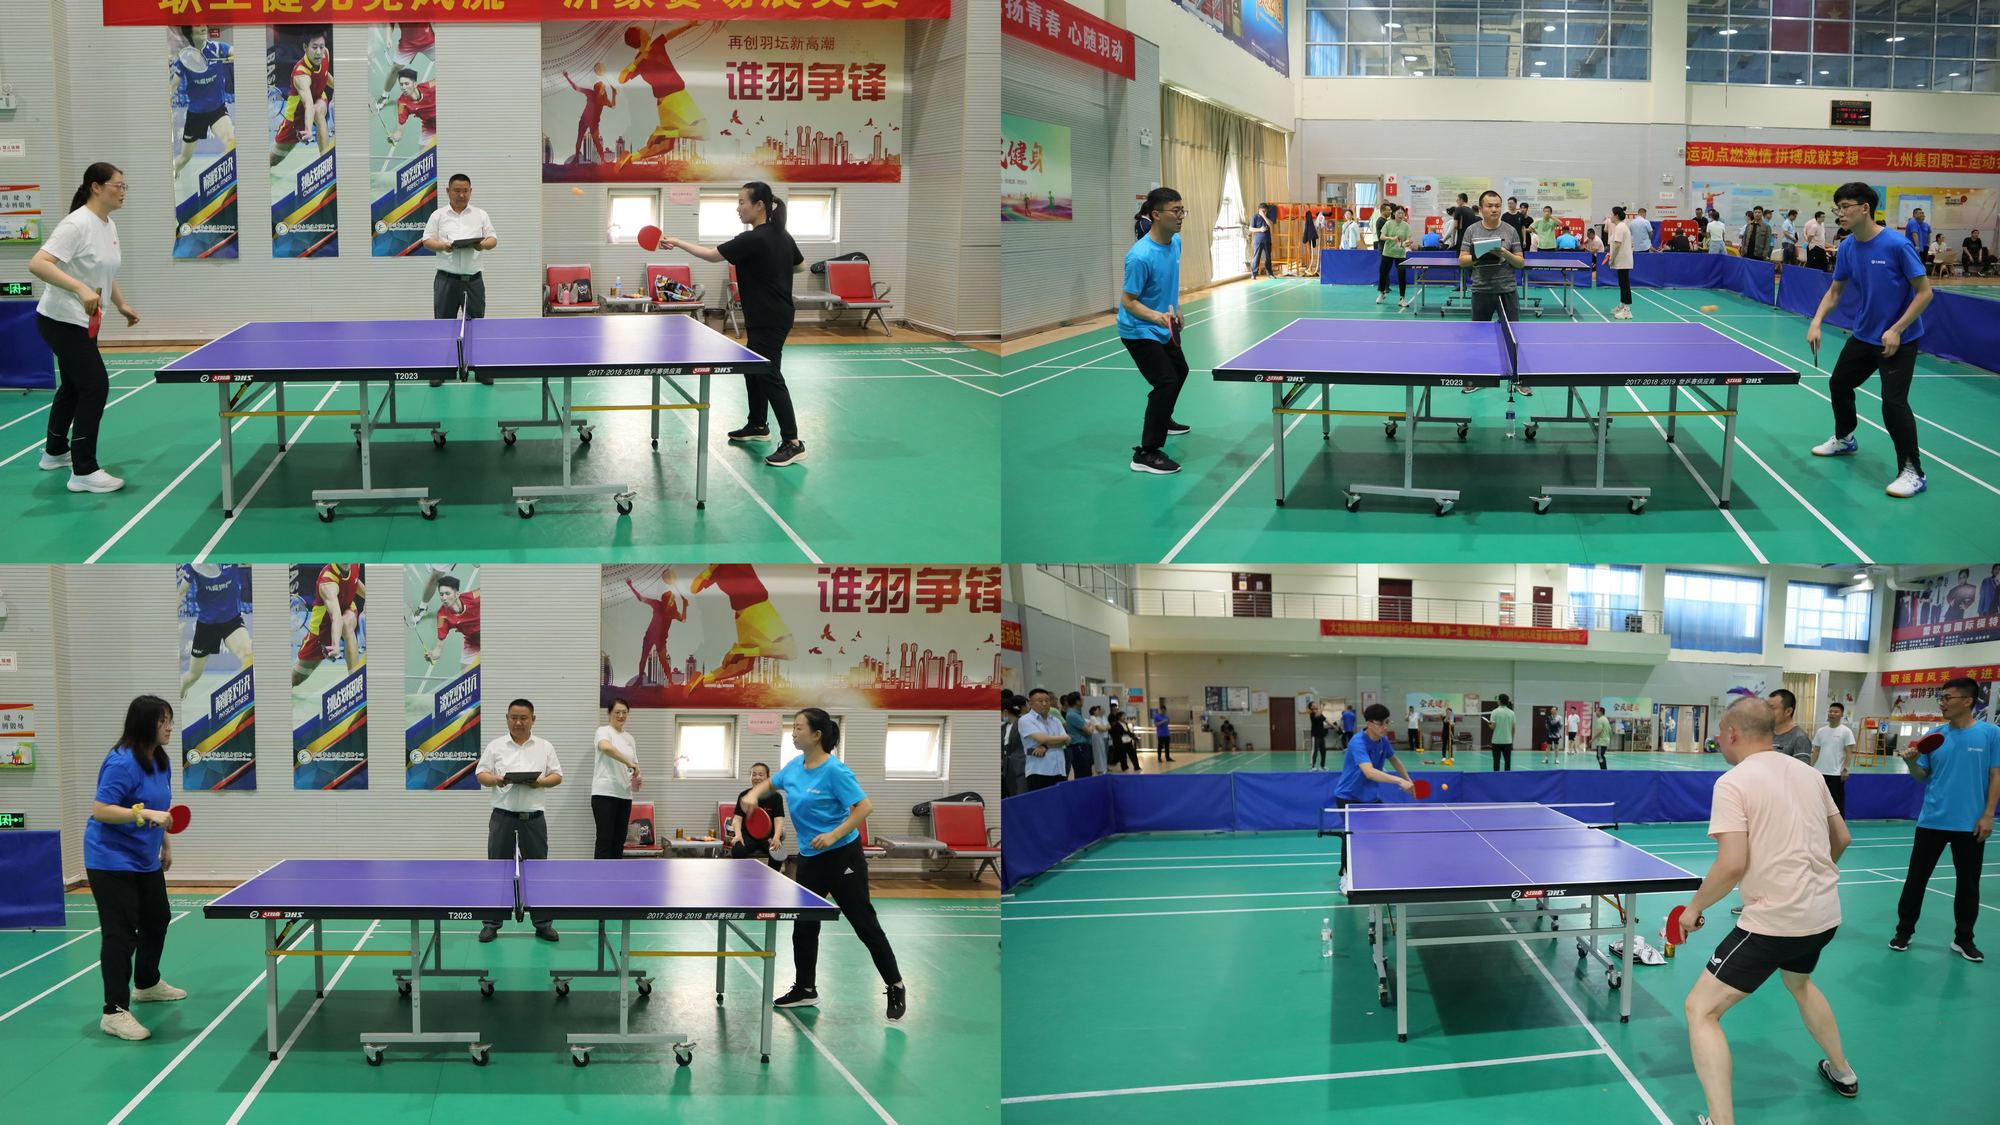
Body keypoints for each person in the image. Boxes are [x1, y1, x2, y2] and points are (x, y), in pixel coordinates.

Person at [1677, 696, 1857, 1125]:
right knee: (1799, 983)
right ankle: (1843, 1072)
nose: (1718, 739)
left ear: (1732, 734)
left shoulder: (1733, 782)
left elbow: (1731, 864)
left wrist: (1693, 908)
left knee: (1701, 1010)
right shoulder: (1809, 774)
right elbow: (1843, 838)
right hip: (1823, 915)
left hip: (1775, 923)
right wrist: (1808, 880)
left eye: (1720, 733)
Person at [743, 709, 906, 1021]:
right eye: (793, 728)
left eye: (799, 728)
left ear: (817, 735)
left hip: (843, 856)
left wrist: (833, 834)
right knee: (804, 925)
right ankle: (805, 988)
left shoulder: (835, 771)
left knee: (864, 923)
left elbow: (864, 807)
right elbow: (772, 783)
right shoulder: (795, 766)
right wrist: (753, 794)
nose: (793, 733)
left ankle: (895, 984)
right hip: (810, 858)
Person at [657, 182, 810, 467]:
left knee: (769, 375)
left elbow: (711, 255)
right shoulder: (781, 235)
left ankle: (793, 442)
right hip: (771, 314)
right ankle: (758, 424)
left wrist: (676, 242)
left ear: (759, 205)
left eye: (742, 202)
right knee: (754, 370)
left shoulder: (753, 238)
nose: (738, 208)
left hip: (769, 317)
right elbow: (800, 266)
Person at [1806, 181, 1935, 499]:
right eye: (1837, 207)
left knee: (1893, 403)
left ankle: (1913, 471)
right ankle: (1845, 439)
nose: (1839, 213)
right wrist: (1817, 321)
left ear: (1865, 208)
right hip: (1865, 334)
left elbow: (1924, 293)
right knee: (1839, 384)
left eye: (1845, 207)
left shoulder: (1896, 245)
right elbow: (1835, 291)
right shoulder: (1848, 247)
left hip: (1899, 339)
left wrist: (1897, 329)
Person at [27, 162, 137, 494]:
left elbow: (102, 270)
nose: (123, 191)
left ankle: (54, 452)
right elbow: (38, 263)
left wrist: (121, 303)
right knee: (95, 386)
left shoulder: (108, 224)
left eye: (124, 186)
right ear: (96, 187)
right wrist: (79, 288)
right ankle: (83, 470)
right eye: (117, 185)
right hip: (61, 319)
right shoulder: (76, 224)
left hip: (85, 319)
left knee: (74, 386)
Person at [86, 695, 189, 1041]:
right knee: (120, 933)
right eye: (163, 721)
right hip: (110, 859)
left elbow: (161, 807)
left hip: (144, 858)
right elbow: (102, 809)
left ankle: (146, 983)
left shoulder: (159, 760)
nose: (170, 727)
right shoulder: (121, 762)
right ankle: (113, 1012)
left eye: (170, 720)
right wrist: (142, 814)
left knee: (157, 918)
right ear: (145, 724)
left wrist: (165, 842)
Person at [1891, 676, 2000, 961]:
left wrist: (1988, 815)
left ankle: (1963, 939)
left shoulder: (1991, 734)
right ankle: (1904, 931)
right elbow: (1921, 776)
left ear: (1967, 701)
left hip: (1970, 824)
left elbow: (1996, 775)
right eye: (1941, 698)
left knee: (1968, 885)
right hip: (1932, 822)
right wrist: (1911, 762)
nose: (1942, 703)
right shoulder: (1935, 736)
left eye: (1947, 698)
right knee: (1916, 880)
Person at [474, 699, 562, 943]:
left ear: (533, 719)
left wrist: (540, 782)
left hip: (534, 819)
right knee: (497, 870)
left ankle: (543, 924)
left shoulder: (545, 746)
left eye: (524, 718)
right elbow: (481, 774)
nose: (518, 722)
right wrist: (496, 779)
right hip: (502, 817)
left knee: (538, 871)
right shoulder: (495, 746)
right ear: (507, 718)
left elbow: (557, 776)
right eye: (514, 717)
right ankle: (491, 923)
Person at [1119, 188, 1190, 477]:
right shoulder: (1139, 256)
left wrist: (1176, 309)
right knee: (1166, 381)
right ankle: (1146, 453)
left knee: (1180, 371)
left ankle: (1163, 418)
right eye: (1175, 210)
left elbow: (1168, 282)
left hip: (1163, 324)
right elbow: (1128, 301)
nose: (1181, 216)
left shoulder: (1176, 243)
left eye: (1182, 210)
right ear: (1156, 215)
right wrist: (1156, 317)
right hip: (1138, 328)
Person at [419, 173, 496, 385]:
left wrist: (481, 244)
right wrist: (443, 246)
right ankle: (441, 370)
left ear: (471, 191)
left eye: (465, 191)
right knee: (443, 325)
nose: (461, 195)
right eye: (457, 190)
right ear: (448, 191)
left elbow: (493, 239)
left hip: (474, 281)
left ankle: (479, 369)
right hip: (446, 280)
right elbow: (426, 240)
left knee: (476, 325)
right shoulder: (438, 215)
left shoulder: (480, 215)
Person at [1458, 191, 1531, 396]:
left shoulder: (1510, 230)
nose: (1494, 209)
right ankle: (1477, 378)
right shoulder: (1472, 230)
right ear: (1481, 208)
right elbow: (1462, 260)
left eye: (1497, 206)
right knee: (1478, 338)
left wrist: (1504, 253)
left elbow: (1520, 262)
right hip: (1481, 290)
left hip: (1507, 290)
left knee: (1514, 337)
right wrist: (1479, 255)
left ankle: (1519, 379)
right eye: (1489, 206)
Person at [1331, 704, 1415, 875]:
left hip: (1369, 796)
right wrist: (1399, 781)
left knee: (1382, 829)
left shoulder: (1383, 741)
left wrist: (1408, 780)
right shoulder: (1357, 742)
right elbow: (1369, 772)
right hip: (1348, 796)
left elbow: (1395, 760)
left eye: (1387, 722)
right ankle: (1346, 874)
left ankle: (1375, 868)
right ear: (1369, 723)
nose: (1385, 727)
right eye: (1381, 723)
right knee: (1352, 835)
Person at [614, 23, 706, 168]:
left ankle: (630, 158)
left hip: (664, 104)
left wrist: (690, 25)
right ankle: (663, 133)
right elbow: (621, 78)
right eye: (642, 31)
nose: (646, 31)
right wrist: (639, 58)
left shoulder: (655, 45)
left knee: (665, 147)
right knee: (702, 131)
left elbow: (671, 34)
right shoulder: (643, 57)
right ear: (640, 37)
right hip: (677, 98)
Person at [170, 27, 236, 195]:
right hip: (196, 114)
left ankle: (230, 187)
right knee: (184, 158)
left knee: (231, 142)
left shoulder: (218, 48)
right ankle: (172, 172)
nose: (202, 28)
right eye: (197, 27)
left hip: (217, 109)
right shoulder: (185, 58)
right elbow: (173, 86)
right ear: (191, 34)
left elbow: (234, 51)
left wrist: (238, 55)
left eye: (204, 26)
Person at [178, 564, 252, 698]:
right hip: (206, 625)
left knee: (248, 657)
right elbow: (181, 592)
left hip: (232, 621)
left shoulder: (233, 556)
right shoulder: (195, 562)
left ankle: (245, 701)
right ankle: (181, 690)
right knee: (193, 676)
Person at [291, 564, 364, 685]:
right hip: (322, 630)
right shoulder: (327, 582)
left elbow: (354, 581)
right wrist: (335, 645)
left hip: (346, 609)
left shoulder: (355, 563)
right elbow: (335, 616)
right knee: (296, 678)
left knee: (346, 624)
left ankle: (356, 682)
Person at [269, 30, 332, 167]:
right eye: (314, 47)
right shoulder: (301, 75)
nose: (319, 52)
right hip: (296, 119)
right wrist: (308, 129)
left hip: (318, 99)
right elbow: (308, 103)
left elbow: (325, 74)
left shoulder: (325, 54)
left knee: (318, 111)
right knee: (273, 160)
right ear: (305, 47)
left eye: (321, 47)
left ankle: (327, 163)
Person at [590, 697, 642, 860]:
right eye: (617, 712)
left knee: (619, 840)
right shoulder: (603, 731)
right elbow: (605, 747)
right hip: (604, 794)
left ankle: (615, 874)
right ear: (609, 713)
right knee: (605, 839)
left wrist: (638, 775)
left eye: (624, 712)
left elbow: (634, 764)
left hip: (625, 795)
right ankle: (601, 874)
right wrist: (628, 762)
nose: (621, 716)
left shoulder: (629, 738)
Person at [728, 761, 788, 869]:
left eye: (761, 774)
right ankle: (741, 875)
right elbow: (737, 819)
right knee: (738, 850)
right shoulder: (744, 795)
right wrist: (738, 835)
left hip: (768, 837)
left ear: (767, 777)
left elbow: (779, 819)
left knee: (778, 853)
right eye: (754, 774)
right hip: (748, 836)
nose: (757, 777)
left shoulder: (776, 797)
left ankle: (772, 876)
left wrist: (776, 837)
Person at [421, 572, 480, 671]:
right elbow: (439, 647)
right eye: (441, 594)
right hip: (473, 641)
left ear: (457, 594)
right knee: (467, 675)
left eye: (447, 593)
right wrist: (433, 655)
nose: (444, 598)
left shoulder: (473, 597)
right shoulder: (442, 617)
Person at [562, 65, 618, 164]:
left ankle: (602, 160)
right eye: (602, 88)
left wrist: (614, 94)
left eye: (603, 88)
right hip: (586, 120)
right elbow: (576, 88)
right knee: (580, 138)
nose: (603, 90)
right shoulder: (592, 94)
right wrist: (567, 77)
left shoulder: (601, 98)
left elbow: (613, 106)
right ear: (598, 89)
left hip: (592, 122)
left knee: (596, 142)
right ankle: (577, 158)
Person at [1018, 688, 1068, 791]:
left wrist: (1045, 746)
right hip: (1039, 771)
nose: (1044, 703)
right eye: (1040, 701)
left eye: (1047, 700)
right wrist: (1061, 739)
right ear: (1030, 703)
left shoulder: (1055, 720)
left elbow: (1067, 741)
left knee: (1059, 800)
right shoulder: (1025, 720)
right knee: (1041, 801)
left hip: (1059, 770)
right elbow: (1043, 738)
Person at [375, 23, 433, 109]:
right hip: (408, 43)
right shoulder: (396, 12)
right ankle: (385, 95)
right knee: (395, 68)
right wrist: (388, 38)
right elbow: (391, 22)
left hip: (428, 40)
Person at [1811, 702, 1855, 818]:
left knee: (1836, 803)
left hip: (1836, 774)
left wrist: (1846, 768)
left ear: (1842, 714)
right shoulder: (1821, 731)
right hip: (1820, 773)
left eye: (1836, 712)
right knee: (1819, 801)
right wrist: (1810, 767)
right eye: (1830, 711)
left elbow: (1849, 752)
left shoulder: (1846, 731)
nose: (1832, 714)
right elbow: (1816, 750)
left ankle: (1838, 826)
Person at [384, 68, 437, 153]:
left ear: (415, 84)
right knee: (423, 154)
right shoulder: (402, 103)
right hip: (429, 125)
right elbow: (400, 128)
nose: (403, 87)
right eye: (401, 84)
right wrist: (396, 135)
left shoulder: (430, 86)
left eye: (406, 84)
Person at [1376, 203, 1412, 308]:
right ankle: (1382, 293)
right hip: (1388, 252)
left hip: (1400, 254)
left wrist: (1407, 243)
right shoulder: (1388, 224)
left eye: (1402, 213)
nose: (1401, 215)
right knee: (1383, 273)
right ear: (1394, 213)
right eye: (1399, 213)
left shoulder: (1406, 226)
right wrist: (1392, 238)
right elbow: (1381, 236)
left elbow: (1408, 239)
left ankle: (1402, 298)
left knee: (1402, 275)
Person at [1605, 205, 1635, 319]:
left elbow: (1617, 245)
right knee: (1622, 283)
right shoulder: (1620, 226)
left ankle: (1627, 310)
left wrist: (1611, 259)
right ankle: (1623, 305)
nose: (1610, 216)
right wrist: (1610, 254)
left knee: (1625, 284)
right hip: (1622, 260)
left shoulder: (1620, 227)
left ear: (1616, 216)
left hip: (1623, 260)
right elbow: (1615, 244)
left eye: (1611, 214)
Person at [1062, 692, 1093, 779]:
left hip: (1083, 746)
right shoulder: (1072, 715)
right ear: (1077, 701)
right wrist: (1090, 727)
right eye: (1081, 698)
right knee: (1083, 773)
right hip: (1079, 747)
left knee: (1087, 772)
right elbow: (1089, 732)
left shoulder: (1077, 714)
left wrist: (1088, 728)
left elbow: (1086, 729)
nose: (1083, 699)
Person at [1485, 694, 1517, 771]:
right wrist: (1511, 740)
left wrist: (1489, 723)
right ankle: (1507, 776)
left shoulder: (1495, 712)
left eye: (1497, 699)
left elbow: (1492, 727)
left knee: (1496, 761)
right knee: (1507, 761)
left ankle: (1496, 776)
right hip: (1508, 741)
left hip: (1496, 741)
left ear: (1499, 701)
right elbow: (1513, 728)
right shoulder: (1512, 713)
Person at [1249, 202, 1273, 279]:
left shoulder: (1268, 216)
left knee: (1268, 257)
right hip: (1258, 241)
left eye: (1266, 211)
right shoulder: (1254, 217)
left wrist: (1264, 216)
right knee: (1256, 257)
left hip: (1267, 240)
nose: (1265, 212)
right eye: (1263, 211)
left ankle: (1270, 274)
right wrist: (1260, 229)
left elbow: (1270, 224)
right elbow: (1251, 229)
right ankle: (1253, 274)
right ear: (1259, 210)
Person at [1309, 700, 1330, 771]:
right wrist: (1322, 706)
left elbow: (1326, 720)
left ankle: (1322, 766)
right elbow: (1317, 715)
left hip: (1321, 735)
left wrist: (1334, 726)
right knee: (1315, 750)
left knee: (1323, 750)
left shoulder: (1320, 713)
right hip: (1315, 735)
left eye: (1315, 703)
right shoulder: (1312, 714)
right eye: (1314, 704)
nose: (1315, 704)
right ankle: (1313, 766)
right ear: (1311, 707)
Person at [1299, 203, 1318, 275]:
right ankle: (1309, 267)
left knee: (1311, 250)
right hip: (1311, 234)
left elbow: (1307, 226)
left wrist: (1305, 238)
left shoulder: (1308, 213)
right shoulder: (1308, 213)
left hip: (1310, 234)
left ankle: (1310, 267)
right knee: (1310, 250)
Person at [1592, 703, 1611, 770]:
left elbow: (1599, 731)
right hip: (1606, 741)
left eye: (1597, 711)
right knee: (1600, 755)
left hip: (1601, 741)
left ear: (1600, 712)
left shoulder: (1600, 720)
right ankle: (1604, 770)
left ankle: (1604, 770)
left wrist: (1592, 740)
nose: (1596, 712)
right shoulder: (1606, 719)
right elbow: (1610, 731)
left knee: (1599, 755)